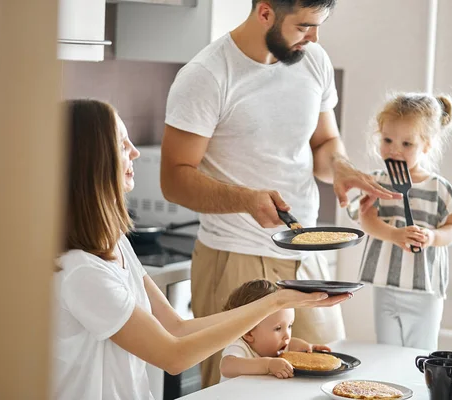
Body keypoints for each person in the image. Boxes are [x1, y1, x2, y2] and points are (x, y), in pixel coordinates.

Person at [160, 0, 401, 387]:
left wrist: (339, 168)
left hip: (306, 256)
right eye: (305, 25)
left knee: (331, 380)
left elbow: (325, 143)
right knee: (239, 389)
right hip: (237, 254)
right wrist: (245, 200)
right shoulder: (206, 75)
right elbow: (173, 179)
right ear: (266, 13)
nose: (315, 36)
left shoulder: (313, 60)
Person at [53, 99, 350, 400]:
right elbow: (174, 356)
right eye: (121, 143)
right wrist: (274, 303)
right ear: (94, 161)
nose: (135, 151)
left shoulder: (116, 243)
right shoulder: (83, 273)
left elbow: (178, 328)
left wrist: (279, 299)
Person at [355, 92, 452, 351]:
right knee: (386, 352)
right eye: (388, 140)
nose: (394, 149)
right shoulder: (377, 182)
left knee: (420, 357)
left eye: (407, 144)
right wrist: (394, 235)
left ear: (426, 145)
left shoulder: (438, 187)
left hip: (424, 290)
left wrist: (433, 237)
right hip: (385, 285)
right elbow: (366, 220)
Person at [219, 280, 335, 382]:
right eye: (278, 328)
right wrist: (268, 365)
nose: (287, 336)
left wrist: (309, 348)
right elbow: (227, 367)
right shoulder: (239, 346)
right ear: (249, 332)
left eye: (289, 326)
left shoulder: (277, 345)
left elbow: (290, 344)